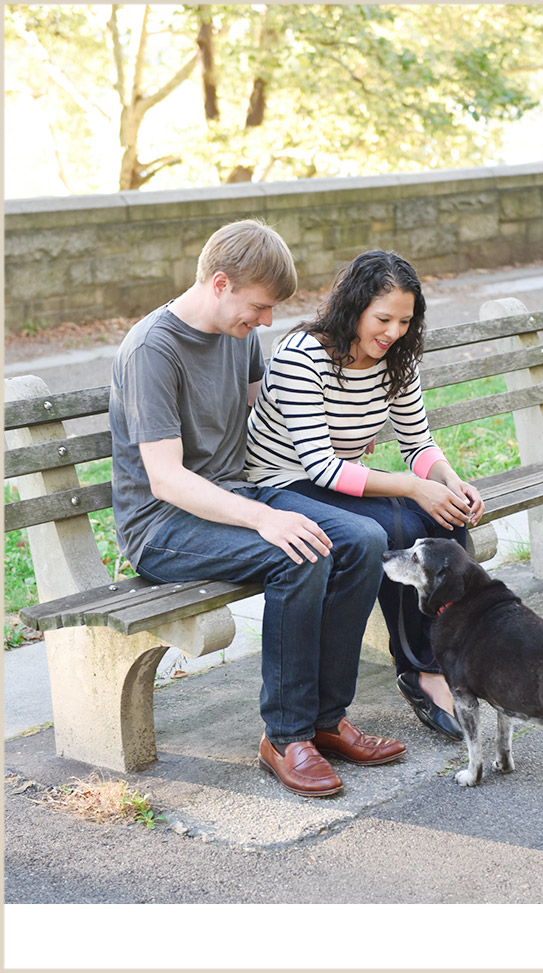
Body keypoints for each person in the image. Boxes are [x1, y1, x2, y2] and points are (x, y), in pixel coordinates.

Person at [110, 219, 406, 799]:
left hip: (237, 493)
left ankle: (326, 719)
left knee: (363, 539)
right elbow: (166, 480)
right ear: (220, 284)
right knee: (296, 555)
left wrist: (340, 442)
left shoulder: (240, 334)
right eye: (261, 307)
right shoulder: (152, 350)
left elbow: (264, 423)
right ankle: (286, 735)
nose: (267, 322)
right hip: (161, 525)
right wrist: (268, 519)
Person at [244, 250, 485, 741]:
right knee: (395, 526)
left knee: (446, 521)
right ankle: (420, 671)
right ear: (353, 306)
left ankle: (446, 659)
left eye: (404, 320)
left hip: (340, 477)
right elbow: (321, 468)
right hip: (283, 481)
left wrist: (448, 480)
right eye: (382, 318)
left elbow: (417, 441)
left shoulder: (396, 359)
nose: (393, 332)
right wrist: (416, 488)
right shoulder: (302, 357)